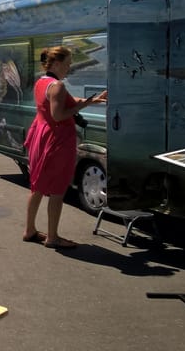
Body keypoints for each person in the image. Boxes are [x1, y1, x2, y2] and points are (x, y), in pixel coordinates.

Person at [22, 46, 107, 249]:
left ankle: (30, 230)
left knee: (38, 187)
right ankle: (53, 237)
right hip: (57, 141)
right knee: (58, 191)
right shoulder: (58, 86)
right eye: (68, 63)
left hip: (41, 137)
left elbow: (61, 102)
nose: (70, 68)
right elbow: (59, 114)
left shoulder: (42, 82)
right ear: (57, 63)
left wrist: (91, 100)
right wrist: (81, 107)